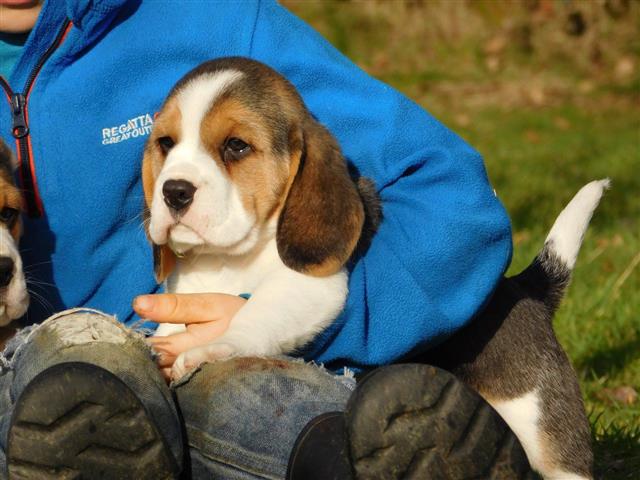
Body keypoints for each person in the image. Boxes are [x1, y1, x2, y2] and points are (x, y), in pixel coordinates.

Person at [0, 1, 524, 479]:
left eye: (233, 146)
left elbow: (457, 203)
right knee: (65, 382)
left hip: (235, 369)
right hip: (30, 374)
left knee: (269, 402)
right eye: (164, 143)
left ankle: (376, 458)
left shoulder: (218, 22)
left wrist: (305, 310)